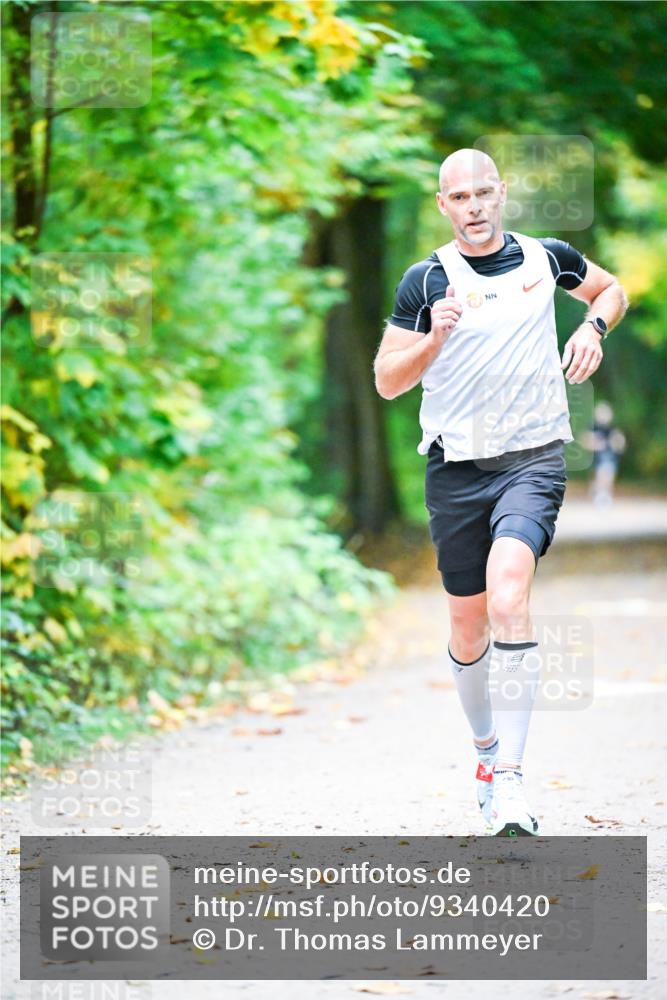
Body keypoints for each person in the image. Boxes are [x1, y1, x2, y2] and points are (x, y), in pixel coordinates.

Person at [374, 148, 628, 836]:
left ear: (501, 192)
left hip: (532, 459)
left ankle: (511, 782)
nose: (475, 207)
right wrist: (432, 337)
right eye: (460, 197)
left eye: (484, 193)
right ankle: (485, 754)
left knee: (510, 595)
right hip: (455, 469)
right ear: (443, 205)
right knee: (466, 624)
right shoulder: (425, 279)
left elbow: (610, 290)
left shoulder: (547, 259)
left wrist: (591, 328)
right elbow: (388, 381)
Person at [582, 401, 626, 506]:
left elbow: (620, 445)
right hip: (595, 460)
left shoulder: (613, 429)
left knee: (606, 470)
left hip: (608, 460)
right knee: (600, 476)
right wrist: (598, 444)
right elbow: (586, 441)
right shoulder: (592, 427)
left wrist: (617, 442)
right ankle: (599, 492)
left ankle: (603, 496)